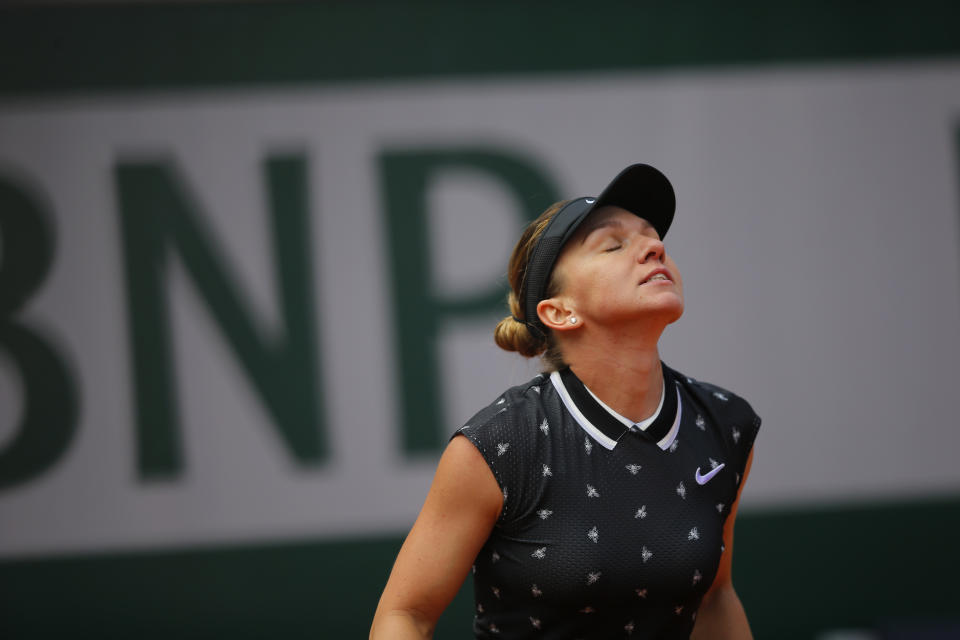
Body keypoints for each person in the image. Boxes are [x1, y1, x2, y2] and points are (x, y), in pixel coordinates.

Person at [370, 164, 760, 639]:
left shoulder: (725, 424)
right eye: (614, 245)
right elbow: (405, 614)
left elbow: (716, 596)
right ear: (560, 312)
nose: (655, 248)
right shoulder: (498, 445)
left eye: (654, 239)